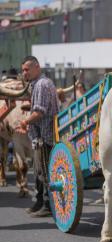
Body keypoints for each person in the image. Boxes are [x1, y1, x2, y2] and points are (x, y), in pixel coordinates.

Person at [16, 56, 59, 217]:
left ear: (37, 67)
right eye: (23, 70)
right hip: (41, 135)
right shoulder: (40, 84)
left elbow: (40, 111)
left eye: (27, 69)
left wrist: (25, 122)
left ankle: (47, 205)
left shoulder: (41, 85)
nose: (24, 72)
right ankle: (40, 202)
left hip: (45, 136)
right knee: (39, 170)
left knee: (44, 171)